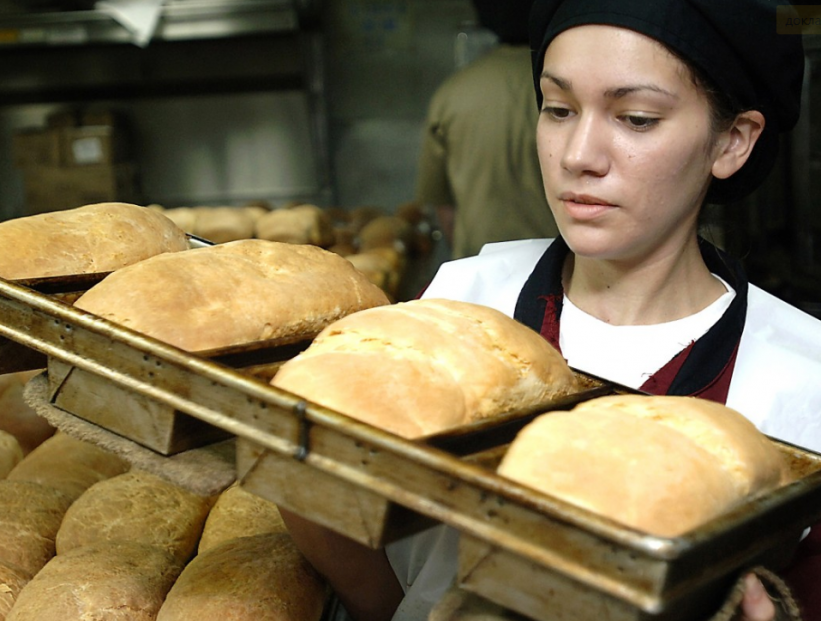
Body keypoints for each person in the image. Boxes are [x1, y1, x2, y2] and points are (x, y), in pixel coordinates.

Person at [281, 1, 821, 620]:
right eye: (558, 109)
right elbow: (369, 560)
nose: (577, 154)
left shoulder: (802, 379)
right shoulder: (459, 303)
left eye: (636, 118)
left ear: (731, 141)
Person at [415, 0, 558, 259]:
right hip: (557, 268)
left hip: (479, 263)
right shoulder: (566, 90)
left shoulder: (453, 93)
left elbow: (442, 203)